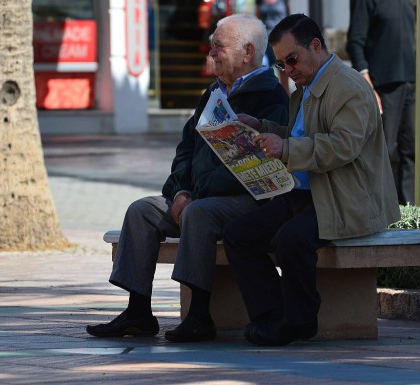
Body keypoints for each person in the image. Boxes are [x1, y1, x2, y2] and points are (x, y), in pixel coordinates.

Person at [86, 14, 289, 342]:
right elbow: (185, 151)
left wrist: (195, 196)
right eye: (211, 47)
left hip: (246, 202)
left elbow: (252, 165)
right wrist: (181, 190)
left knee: (198, 213)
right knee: (141, 211)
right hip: (196, 197)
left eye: (218, 47)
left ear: (248, 51)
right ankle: (138, 310)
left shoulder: (271, 97)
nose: (211, 54)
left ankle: (199, 316)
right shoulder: (212, 94)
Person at [222, 14, 401, 347]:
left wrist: (286, 147)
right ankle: (272, 317)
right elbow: (300, 137)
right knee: (238, 236)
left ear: (316, 46)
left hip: (344, 198)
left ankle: (299, 321)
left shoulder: (348, 86)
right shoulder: (303, 88)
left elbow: (343, 145)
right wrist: (261, 127)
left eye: (292, 59)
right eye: (281, 65)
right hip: (306, 195)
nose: (288, 70)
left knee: (291, 240)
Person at [346, 0, 416, 205]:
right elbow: (355, 41)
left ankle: (409, 210)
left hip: (410, 83)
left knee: (410, 151)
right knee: (384, 152)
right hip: (382, 85)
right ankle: (381, 210)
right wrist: (367, 84)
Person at [256, 0, 290, 93]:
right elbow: (258, 19)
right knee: (263, 72)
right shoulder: (259, 1)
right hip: (265, 40)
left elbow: (288, 18)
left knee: (283, 74)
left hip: (280, 40)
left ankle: (287, 104)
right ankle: (267, 102)